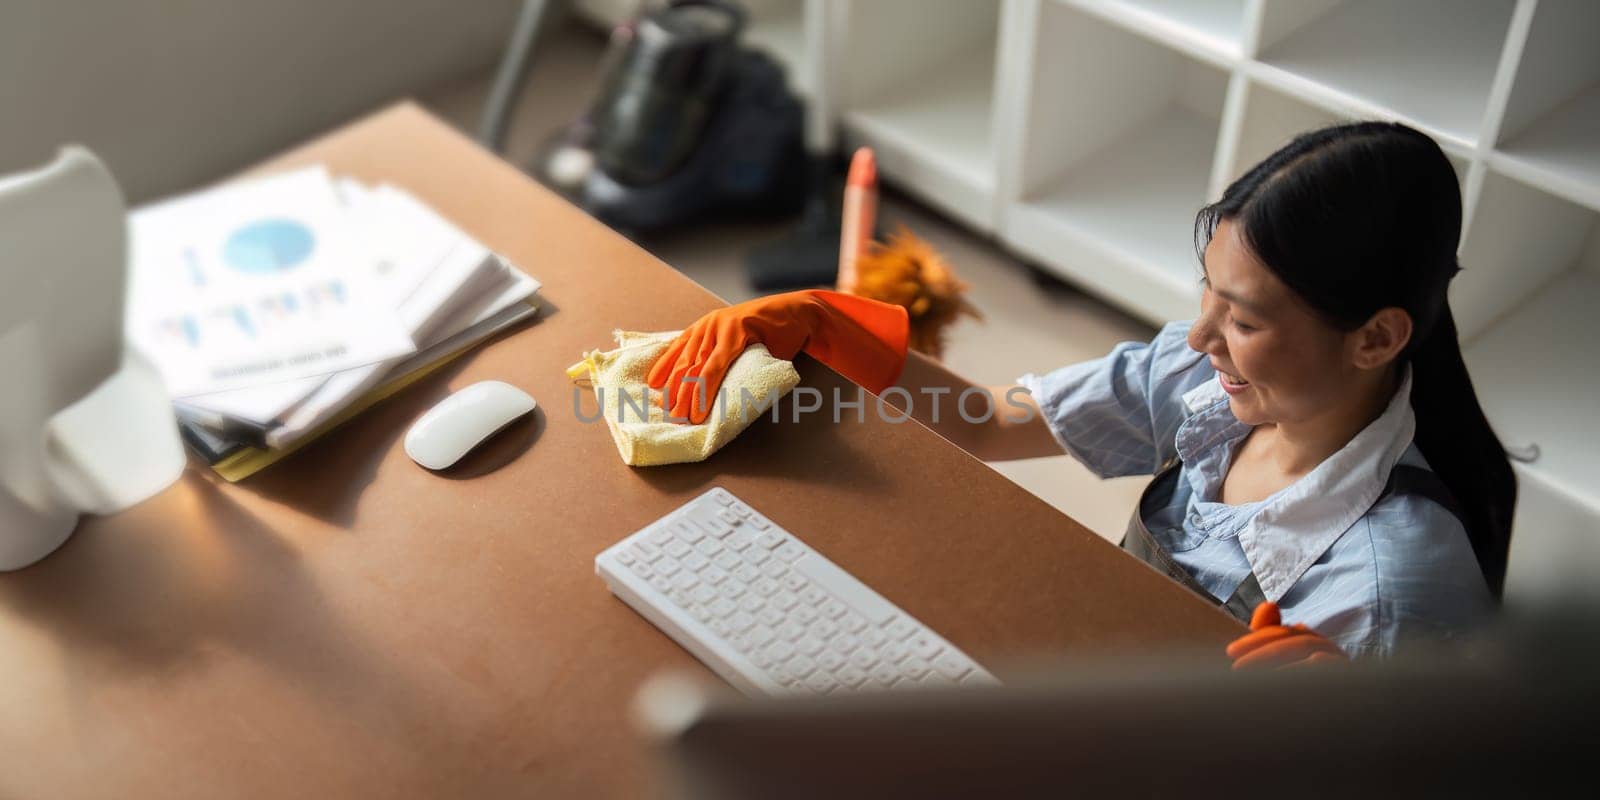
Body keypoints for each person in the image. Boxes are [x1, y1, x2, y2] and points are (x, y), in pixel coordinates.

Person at [645, 121, 1516, 665]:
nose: (1202, 335)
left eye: (1244, 320)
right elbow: (984, 424)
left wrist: (1344, 754)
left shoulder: (1393, 593)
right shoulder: (1203, 382)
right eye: (1205, 291)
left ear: (1377, 337)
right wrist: (830, 327)